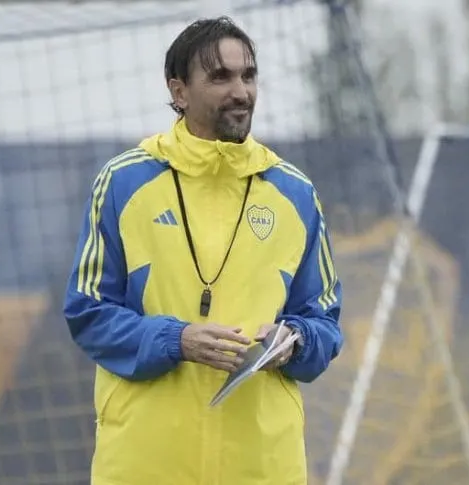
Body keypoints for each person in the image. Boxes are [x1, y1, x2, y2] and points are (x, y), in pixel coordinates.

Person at [63, 15, 343, 485]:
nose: (241, 91)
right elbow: (89, 313)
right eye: (220, 77)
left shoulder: (295, 193)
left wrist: (292, 340)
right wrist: (177, 340)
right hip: (145, 464)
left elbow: (325, 321)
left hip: (262, 466)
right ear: (179, 92)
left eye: (248, 75)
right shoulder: (123, 182)